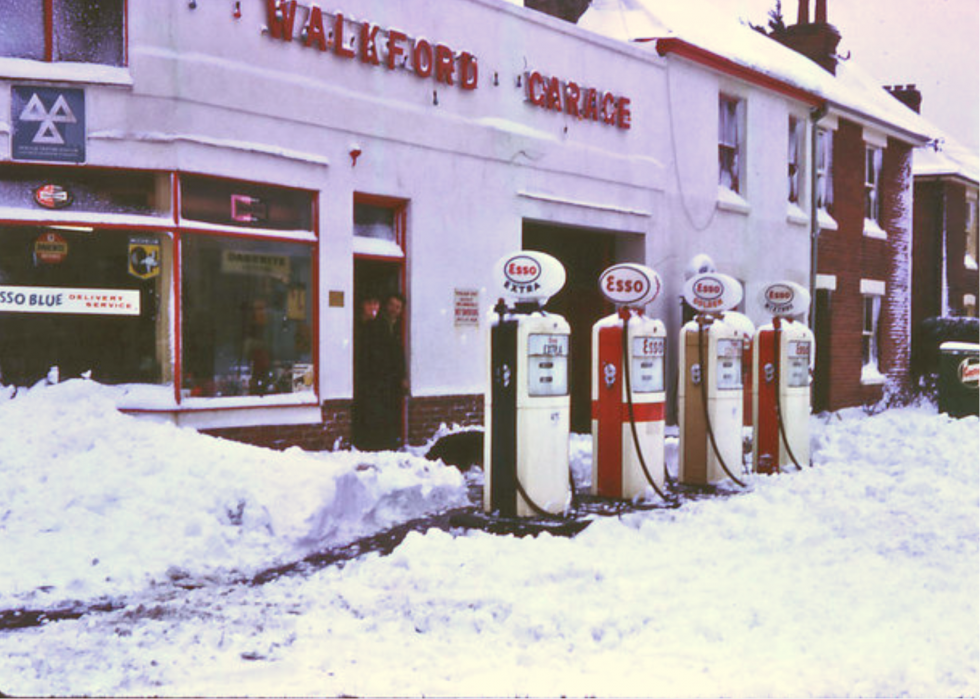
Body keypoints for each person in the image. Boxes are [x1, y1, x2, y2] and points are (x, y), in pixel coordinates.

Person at [359, 292, 407, 451]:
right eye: (392, 305)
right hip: (378, 378)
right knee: (377, 411)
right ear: (386, 306)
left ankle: (387, 443)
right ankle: (377, 444)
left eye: (398, 307)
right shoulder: (376, 325)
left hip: (390, 379)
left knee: (388, 411)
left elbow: (399, 354)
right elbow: (374, 353)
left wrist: (402, 375)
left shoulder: (399, 327)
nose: (394, 309)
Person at [351, 292, 380, 449]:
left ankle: (371, 442)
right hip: (359, 375)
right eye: (370, 304)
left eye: (376, 304)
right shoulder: (356, 325)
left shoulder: (378, 326)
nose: (373, 308)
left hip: (373, 377)